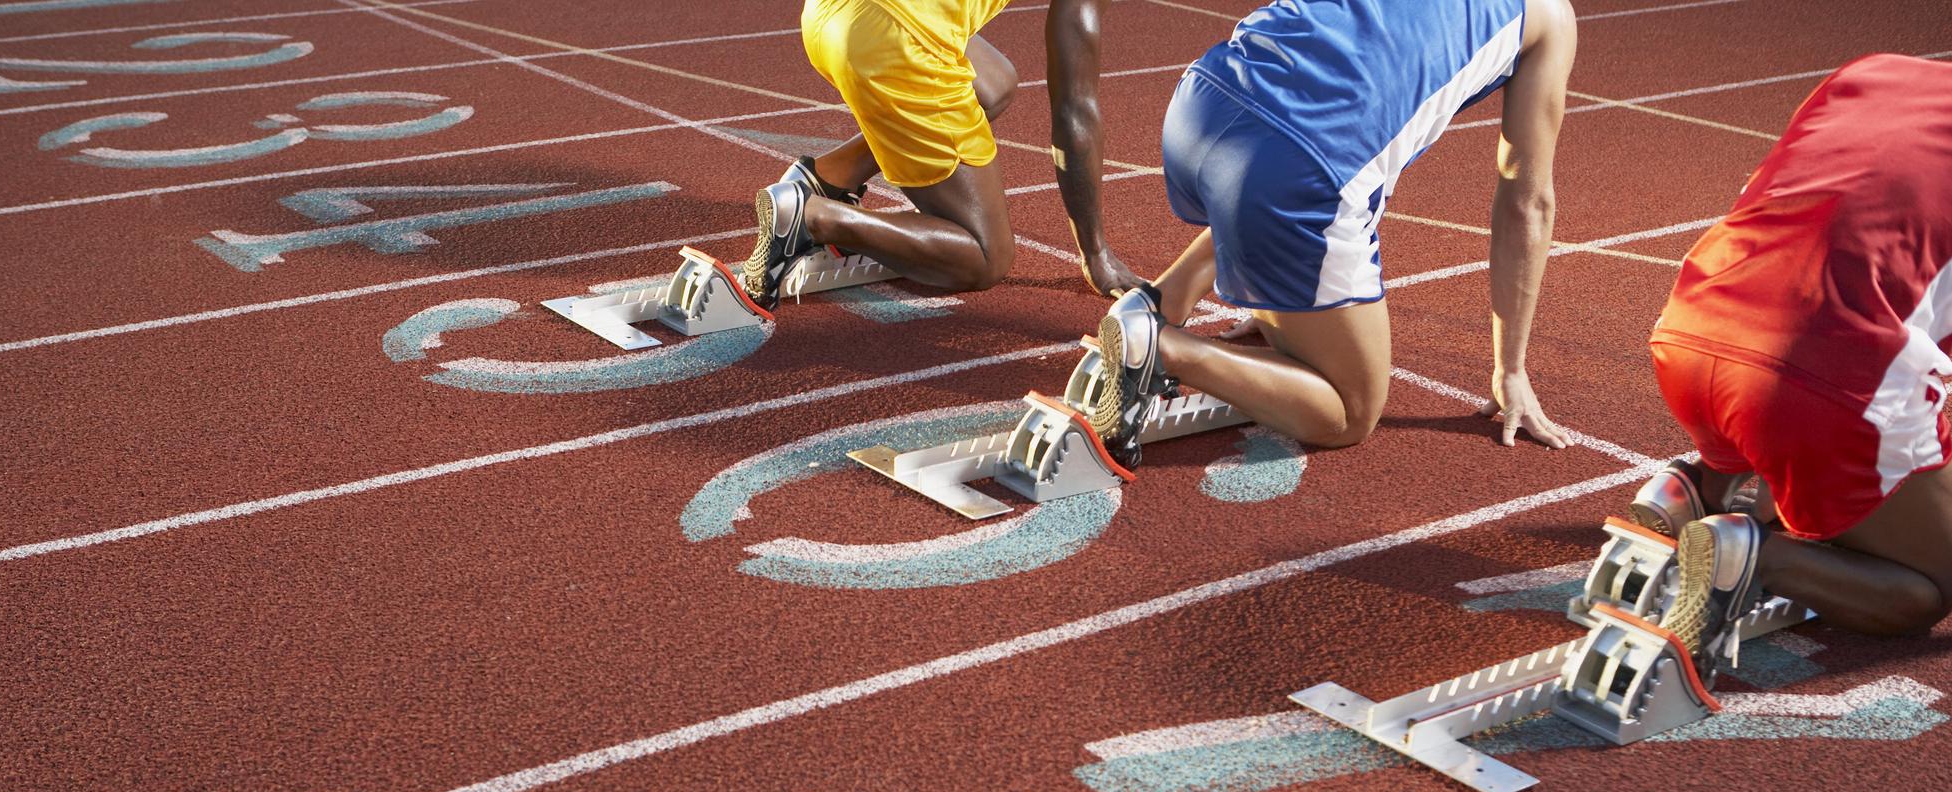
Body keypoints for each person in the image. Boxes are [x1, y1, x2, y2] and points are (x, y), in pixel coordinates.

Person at [1089, 0, 1578, 466]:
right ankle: (1164, 349)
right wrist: (1510, 370)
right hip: (1292, 167)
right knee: (1349, 414)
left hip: (1202, 101)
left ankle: (1157, 301)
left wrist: (1278, 295)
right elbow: (1526, 205)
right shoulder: (1548, 16)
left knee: (1331, 162)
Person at [1634, 53, 1952, 656]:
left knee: (1792, 449)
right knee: (1929, 588)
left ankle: (1695, 493)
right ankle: (1757, 558)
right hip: (1811, 383)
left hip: (1690, 326)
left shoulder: (1874, 70)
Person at [740, 0, 1137, 305]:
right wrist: (1095, 251)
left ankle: (829, 176)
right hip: (891, 43)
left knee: (993, 85)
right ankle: (809, 217)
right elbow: (1074, 110)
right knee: (986, 256)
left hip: (826, 15)